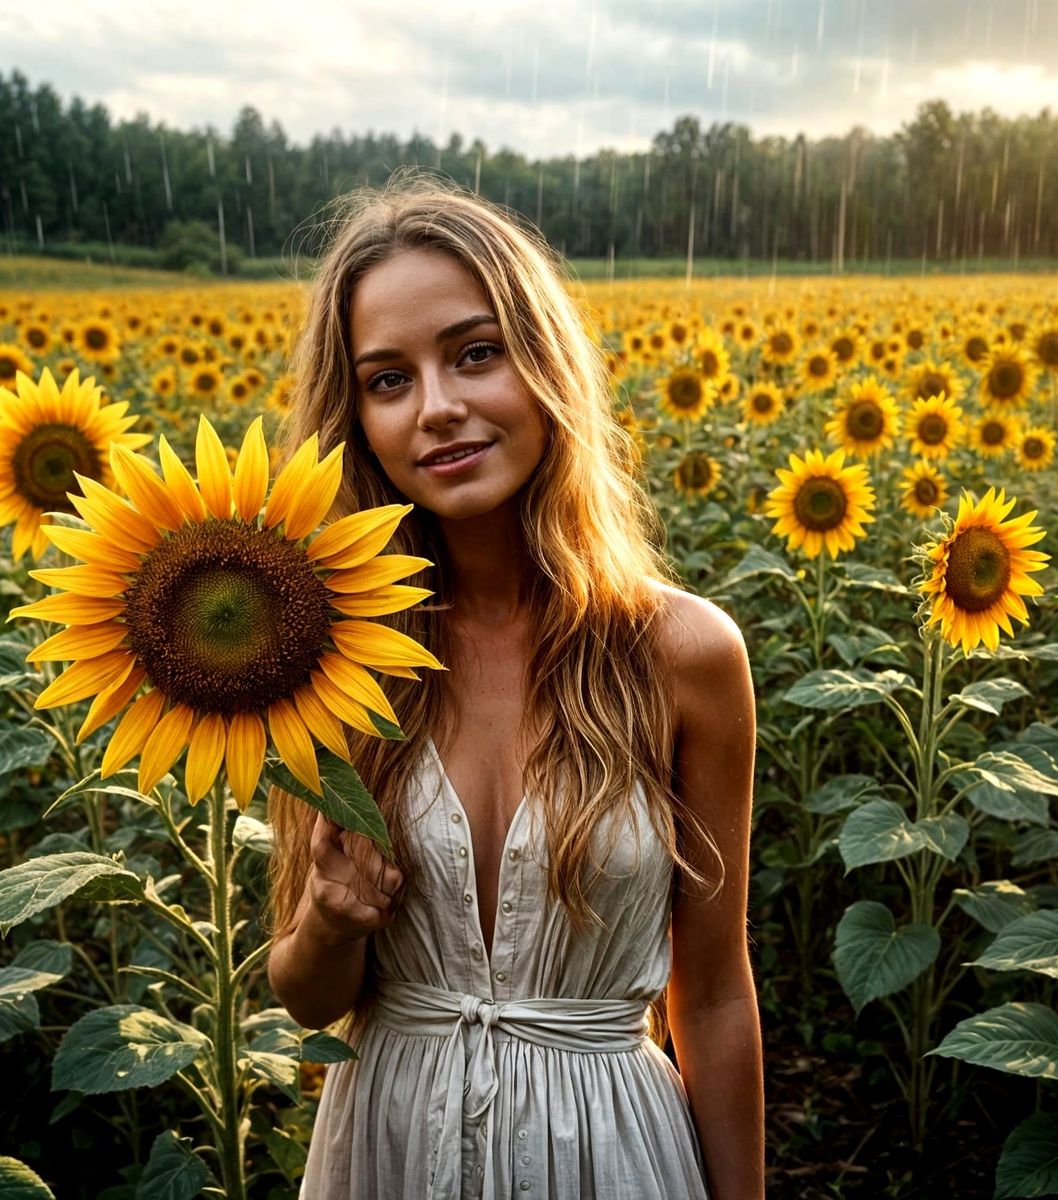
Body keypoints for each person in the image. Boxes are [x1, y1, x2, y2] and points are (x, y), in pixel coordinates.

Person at [265, 168, 763, 1199]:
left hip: (610, 1156)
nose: (438, 409)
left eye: (475, 354)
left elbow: (712, 995)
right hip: (389, 1147)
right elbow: (307, 996)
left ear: (544, 365)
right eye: (387, 378)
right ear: (355, 416)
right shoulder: (325, 659)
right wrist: (332, 922)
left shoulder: (683, 655)